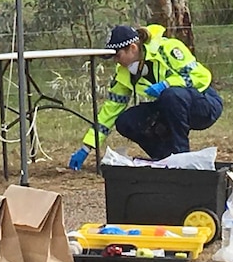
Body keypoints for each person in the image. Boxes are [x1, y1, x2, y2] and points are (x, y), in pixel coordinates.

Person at [67, 24, 223, 170]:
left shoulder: (167, 49)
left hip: (204, 104)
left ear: (133, 48)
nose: (116, 61)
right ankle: (165, 158)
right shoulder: (124, 74)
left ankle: (181, 158)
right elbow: (110, 111)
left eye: (118, 55)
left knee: (171, 95)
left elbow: (201, 76)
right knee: (126, 121)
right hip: (170, 108)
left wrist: (167, 84)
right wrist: (86, 148)